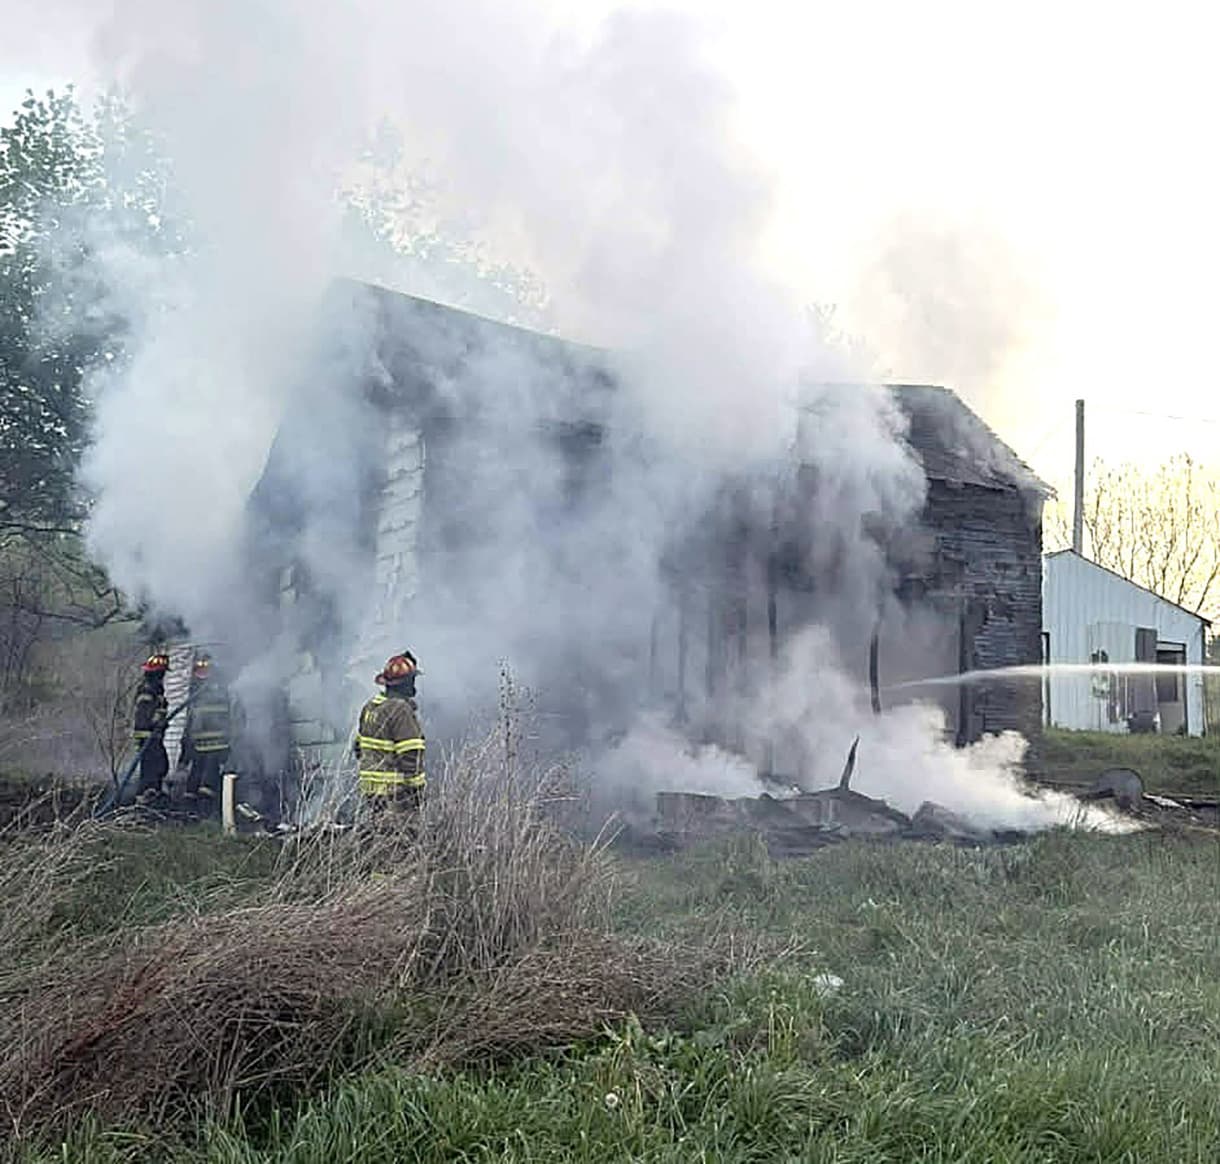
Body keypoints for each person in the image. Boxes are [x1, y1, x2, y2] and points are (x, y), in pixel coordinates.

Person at [353, 651, 426, 817]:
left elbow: (358, 747)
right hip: (395, 793)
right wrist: (417, 793)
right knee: (400, 838)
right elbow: (411, 754)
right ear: (406, 684)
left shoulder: (370, 707)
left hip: (371, 793)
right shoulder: (400, 710)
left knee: (379, 834)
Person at [180, 652, 231, 815]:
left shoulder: (219, 689)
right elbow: (190, 719)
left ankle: (197, 814)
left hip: (210, 745)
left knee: (203, 782)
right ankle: (197, 814)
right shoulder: (197, 690)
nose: (202, 673)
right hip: (207, 746)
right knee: (200, 782)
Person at [133, 652, 170, 802]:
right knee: (154, 767)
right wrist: (156, 723)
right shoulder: (148, 689)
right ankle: (147, 797)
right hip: (148, 736)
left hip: (153, 736)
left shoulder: (156, 689)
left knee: (158, 765)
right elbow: (144, 714)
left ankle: (152, 793)